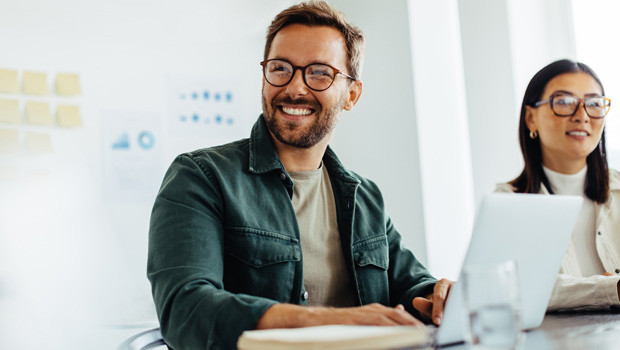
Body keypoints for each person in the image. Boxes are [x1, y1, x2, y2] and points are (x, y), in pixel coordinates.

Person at [147, 2, 452, 349]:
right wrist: (328, 321)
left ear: (351, 95)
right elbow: (186, 310)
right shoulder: (201, 177)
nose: (295, 88)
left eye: (320, 73)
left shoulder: (365, 197)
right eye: (280, 69)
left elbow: (410, 286)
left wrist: (440, 296)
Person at [496, 59, 620, 311]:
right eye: (564, 101)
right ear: (531, 118)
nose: (582, 116)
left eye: (594, 103)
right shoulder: (506, 204)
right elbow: (516, 289)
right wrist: (611, 289)